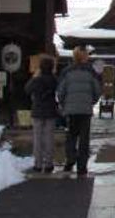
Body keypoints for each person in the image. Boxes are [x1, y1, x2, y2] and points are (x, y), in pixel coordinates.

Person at [56, 45, 101, 176]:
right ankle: (82, 167)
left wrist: (64, 104)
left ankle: (70, 159)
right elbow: (97, 90)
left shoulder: (67, 72)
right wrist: (91, 102)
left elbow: (61, 91)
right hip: (85, 111)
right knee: (84, 139)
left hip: (70, 110)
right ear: (85, 57)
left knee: (71, 136)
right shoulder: (90, 72)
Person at [24, 54, 58, 173]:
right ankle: (49, 164)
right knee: (49, 138)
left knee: (38, 138)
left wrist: (34, 76)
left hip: (37, 111)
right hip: (50, 111)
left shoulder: (37, 80)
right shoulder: (54, 80)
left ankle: (38, 164)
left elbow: (27, 89)